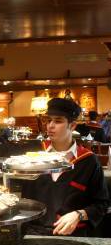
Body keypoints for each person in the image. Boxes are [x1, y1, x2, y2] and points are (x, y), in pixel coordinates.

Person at [22, 98, 109, 236]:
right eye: (48, 120)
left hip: (73, 234)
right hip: (32, 232)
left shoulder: (89, 160)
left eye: (58, 121)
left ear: (72, 125)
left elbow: (101, 204)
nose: (50, 125)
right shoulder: (31, 154)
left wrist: (78, 215)